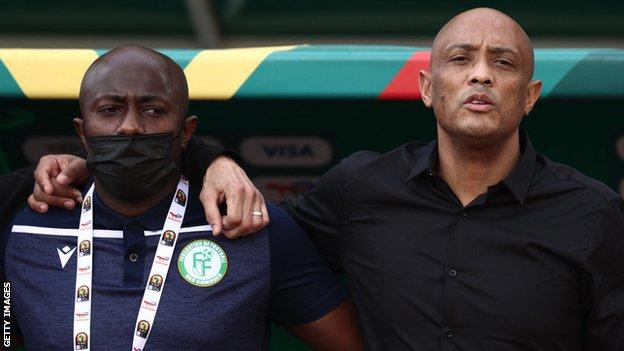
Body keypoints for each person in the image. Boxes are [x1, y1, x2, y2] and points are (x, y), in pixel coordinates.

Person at [21, 7, 624, 350]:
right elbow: (250, 223)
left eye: (505, 63)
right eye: (461, 60)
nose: (481, 77)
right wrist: (210, 160)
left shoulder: (592, 213)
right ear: (426, 88)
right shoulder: (360, 189)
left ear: (532, 95)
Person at [1, 45, 363, 351]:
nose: (129, 126)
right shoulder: (24, 227)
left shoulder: (250, 227)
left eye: (153, 110)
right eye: (110, 110)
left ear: (186, 131)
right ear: (83, 132)